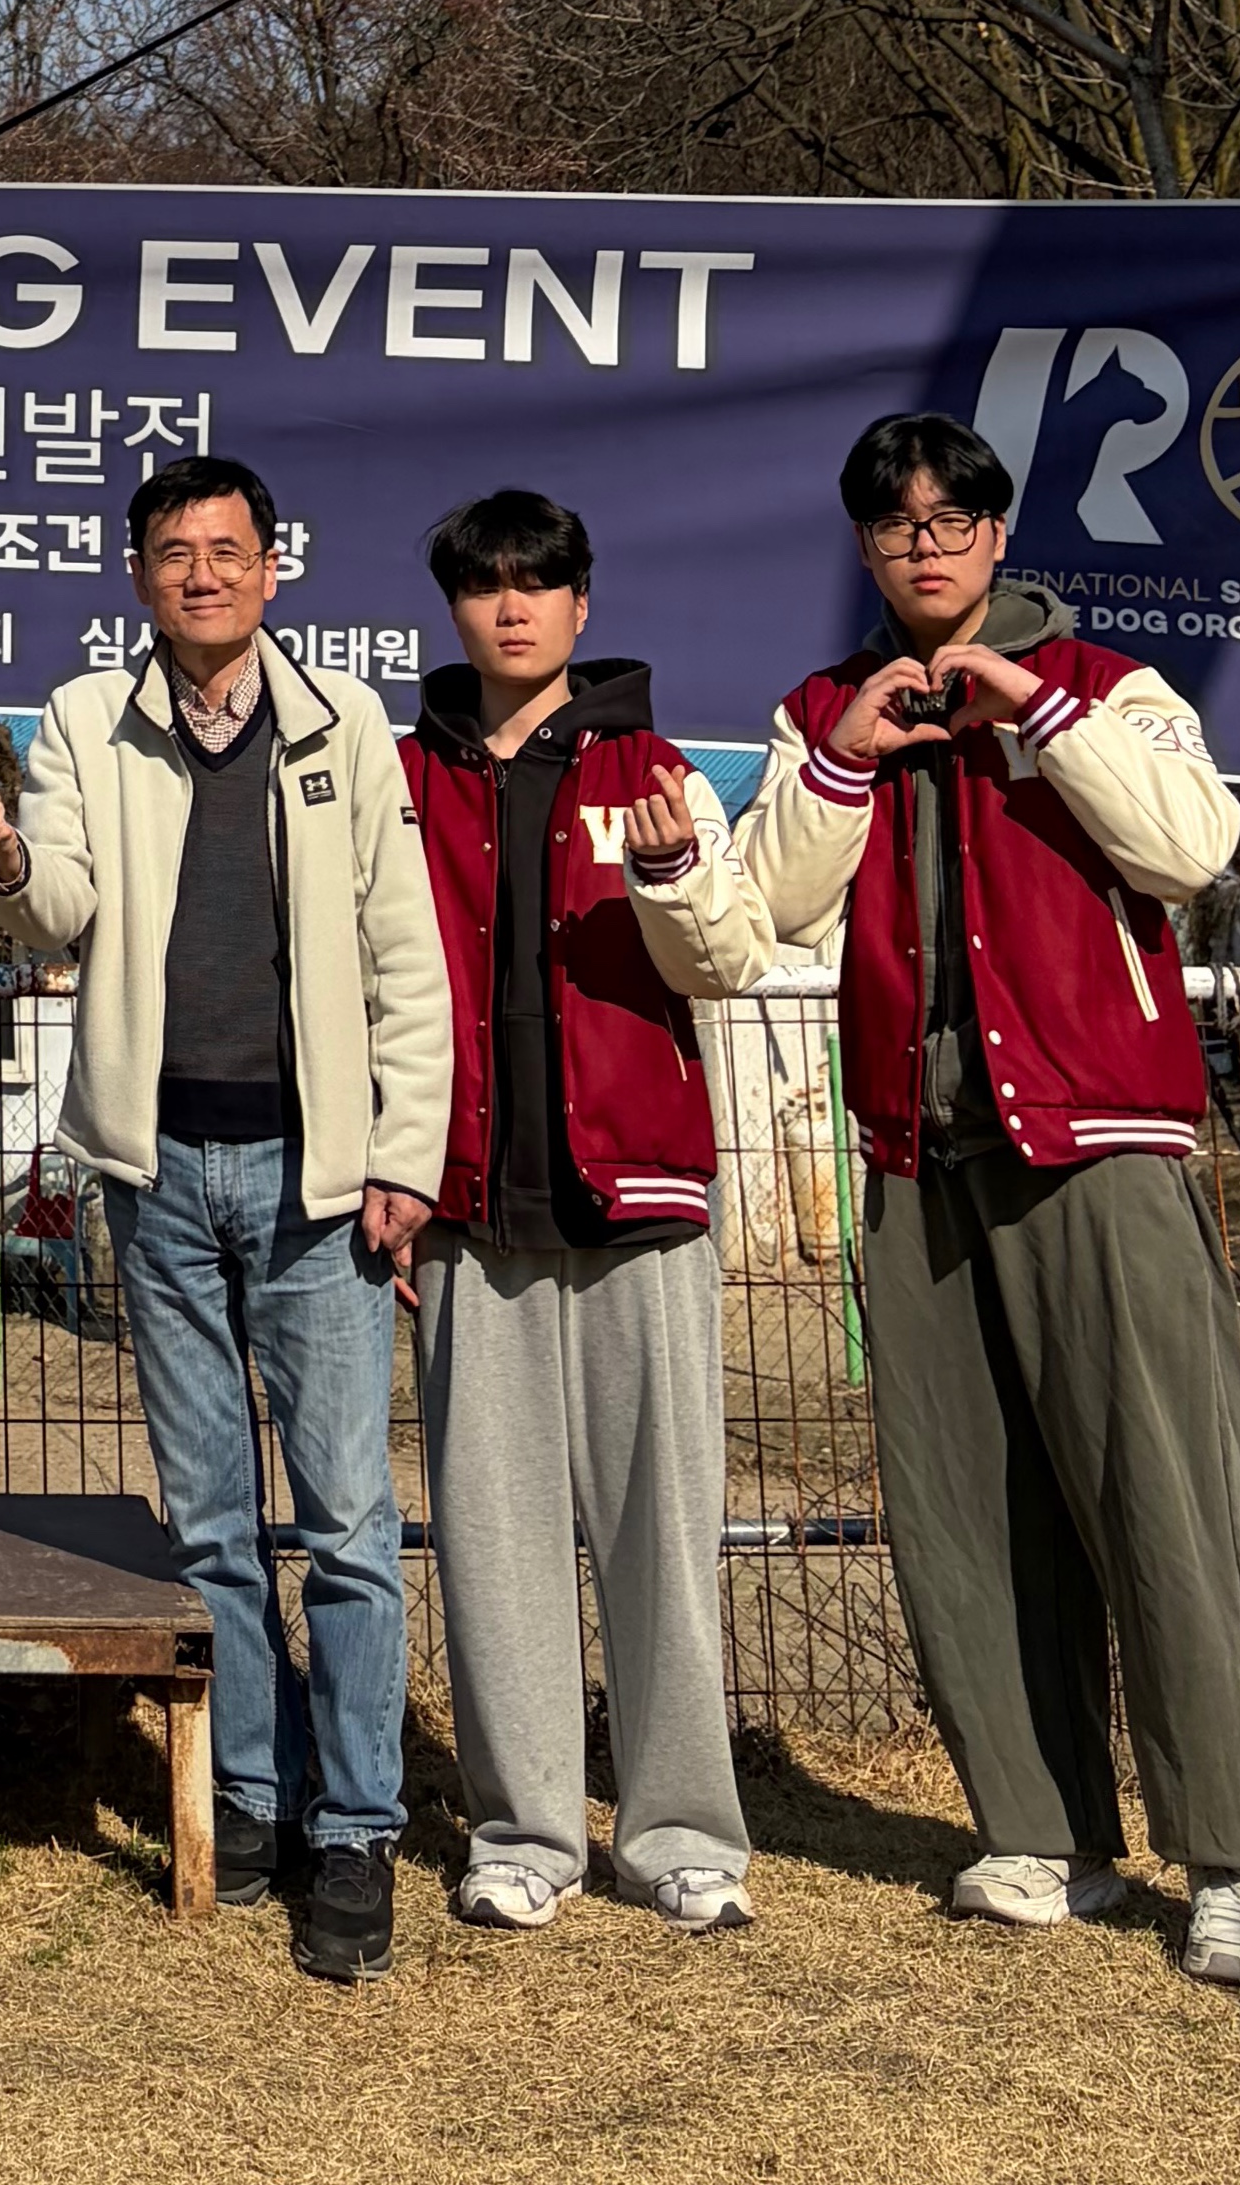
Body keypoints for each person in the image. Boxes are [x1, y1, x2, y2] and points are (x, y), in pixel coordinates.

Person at [737, 412, 1240, 1990]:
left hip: (1102, 1134)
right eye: (893, 521)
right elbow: (769, 905)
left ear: (996, 533)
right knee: (960, 1503)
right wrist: (851, 751)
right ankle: (1040, 1832)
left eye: (950, 515)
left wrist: (1030, 706)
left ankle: (1236, 1858)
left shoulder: (1106, 681)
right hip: (918, 1147)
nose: (923, 541)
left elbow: (1191, 845)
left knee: (1161, 1494)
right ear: (863, 545)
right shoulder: (817, 711)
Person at [0, 453, 449, 1984]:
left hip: (318, 1176)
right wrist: (2, 852)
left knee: (350, 1522)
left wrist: (404, 1150)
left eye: (227, 551)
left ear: (272, 569)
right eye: (174, 553)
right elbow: (65, 908)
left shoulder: (345, 723)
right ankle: (246, 1791)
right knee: (216, 1524)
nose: (202, 575)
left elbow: (401, 955)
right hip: (153, 1170)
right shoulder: (87, 717)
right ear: (138, 575)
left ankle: (354, 1825)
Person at [399, 489, 774, 1939]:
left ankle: (681, 1829)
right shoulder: (404, 775)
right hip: (467, 1211)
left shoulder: (654, 765)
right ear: (455, 609)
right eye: (485, 586)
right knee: (491, 1536)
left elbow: (729, 959)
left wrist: (674, 869)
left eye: (536, 585)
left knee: (659, 1531)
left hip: (644, 1205)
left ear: (580, 606)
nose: (511, 608)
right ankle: (525, 1829)